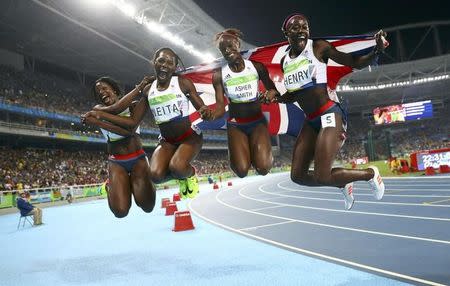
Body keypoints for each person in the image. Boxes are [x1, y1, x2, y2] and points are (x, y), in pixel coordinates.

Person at [270, 14, 386, 210]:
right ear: (286, 33)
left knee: (322, 175)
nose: (301, 31)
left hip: (330, 114)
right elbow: (294, 94)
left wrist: (376, 51)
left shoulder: (318, 48)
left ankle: (370, 174)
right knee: (297, 176)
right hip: (311, 120)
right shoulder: (284, 61)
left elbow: (354, 61)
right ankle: (341, 181)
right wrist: (277, 97)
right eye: (295, 28)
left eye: (304, 27)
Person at [91, 48, 210, 199]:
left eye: (169, 62)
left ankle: (189, 174)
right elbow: (133, 121)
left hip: (189, 137)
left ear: (175, 67)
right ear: (154, 62)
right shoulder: (148, 90)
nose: (164, 65)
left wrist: (205, 111)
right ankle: (181, 177)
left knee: (177, 167)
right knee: (155, 176)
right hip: (167, 142)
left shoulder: (182, 83)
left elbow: (202, 107)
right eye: (161, 60)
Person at [206, 28, 280, 178]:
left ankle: (257, 154)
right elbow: (220, 107)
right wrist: (211, 114)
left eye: (230, 46)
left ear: (238, 45)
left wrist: (270, 94)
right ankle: (242, 153)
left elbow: (273, 89)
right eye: (223, 49)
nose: (227, 50)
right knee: (241, 171)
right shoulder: (219, 75)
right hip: (236, 125)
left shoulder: (256, 67)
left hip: (257, 122)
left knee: (264, 168)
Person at [82, 77, 156, 218]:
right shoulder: (98, 109)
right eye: (98, 91)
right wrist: (99, 116)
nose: (101, 92)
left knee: (147, 206)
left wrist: (99, 121)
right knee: (120, 212)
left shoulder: (133, 105)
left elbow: (129, 129)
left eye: (104, 88)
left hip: (138, 158)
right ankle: (112, 186)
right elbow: (114, 111)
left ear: (114, 90)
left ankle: (141, 183)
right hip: (117, 162)